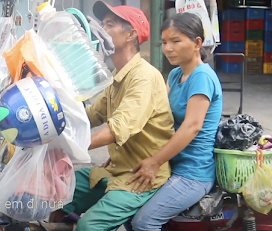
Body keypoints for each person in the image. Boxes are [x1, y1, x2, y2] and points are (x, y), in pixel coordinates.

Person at [48, 1, 175, 230]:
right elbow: (91, 115)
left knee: (88, 226)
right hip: (115, 168)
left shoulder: (143, 77)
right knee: (57, 192)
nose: (102, 30)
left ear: (131, 35)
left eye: (110, 24)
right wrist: (51, 124)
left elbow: (116, 129)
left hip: (139, 177)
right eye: (102, 24)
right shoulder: (117, 76)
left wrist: (69, 146)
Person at [129, 12, 223, 231]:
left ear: (197, 43)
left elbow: (192, 126)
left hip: (193, 172)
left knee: (144, 222)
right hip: (171, 164)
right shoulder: (174, 75)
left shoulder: (202, 77)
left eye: (175, 41)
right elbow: (161, 116)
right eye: (164, 42)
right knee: (124, 205)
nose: (168, 48)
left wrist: (154, 162)